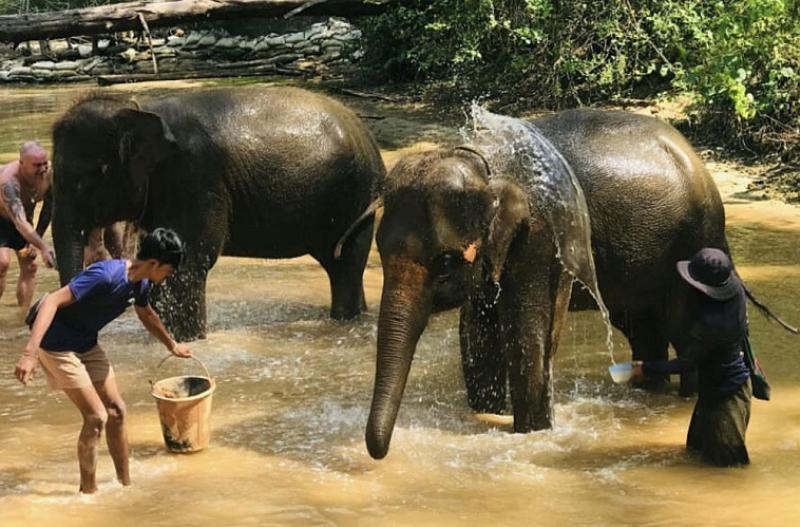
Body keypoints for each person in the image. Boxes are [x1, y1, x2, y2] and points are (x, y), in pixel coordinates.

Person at [14, 228, 192, 494]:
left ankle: (125, 485)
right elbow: (52, 300)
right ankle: (88, 493)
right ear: (154, 264)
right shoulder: (106, 276)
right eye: (169, 270)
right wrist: (29, 354)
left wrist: (172, 344)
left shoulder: (142, 282)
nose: (169, 276)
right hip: (57, 344)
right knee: (96, 417)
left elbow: (146, 314)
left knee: (117, 412)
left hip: (86, 342)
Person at [631, 247, 752, 466]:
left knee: (731, 467)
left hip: (728, 397)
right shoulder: (736, 293)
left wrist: (646, 368)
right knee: (695, 454)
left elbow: (687, 364)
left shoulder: (712, 326)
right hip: (718, 388)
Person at [0, 141, 55, 307]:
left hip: (24, 218)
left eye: (45, 163)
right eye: (37, 165)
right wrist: (44, 247)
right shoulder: (8, 181)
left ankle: (22, 316)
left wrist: (37, 238)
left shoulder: (51, 174)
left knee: (30, 265)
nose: (43, 169)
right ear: (21, 163)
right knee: (2, 264)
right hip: (4, 218)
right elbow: (20, 222)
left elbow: (48, 208)